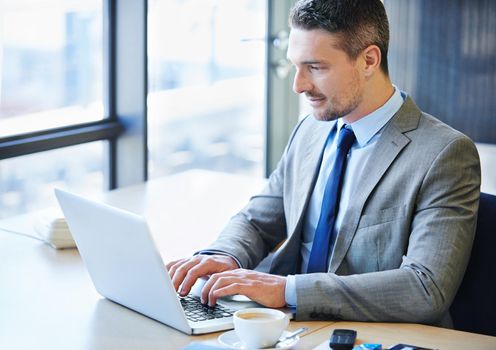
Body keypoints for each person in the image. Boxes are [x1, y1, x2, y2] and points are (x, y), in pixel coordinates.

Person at [167, 0, 481, 327]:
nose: (299, 85)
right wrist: (224, 256)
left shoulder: (444, 153)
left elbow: (425, 287)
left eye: (315, 67)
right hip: (287, 329)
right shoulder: (311, 130)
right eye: (296, 66)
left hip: (369, 335)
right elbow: (258, 219)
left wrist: (288, 290)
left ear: (369, 60)